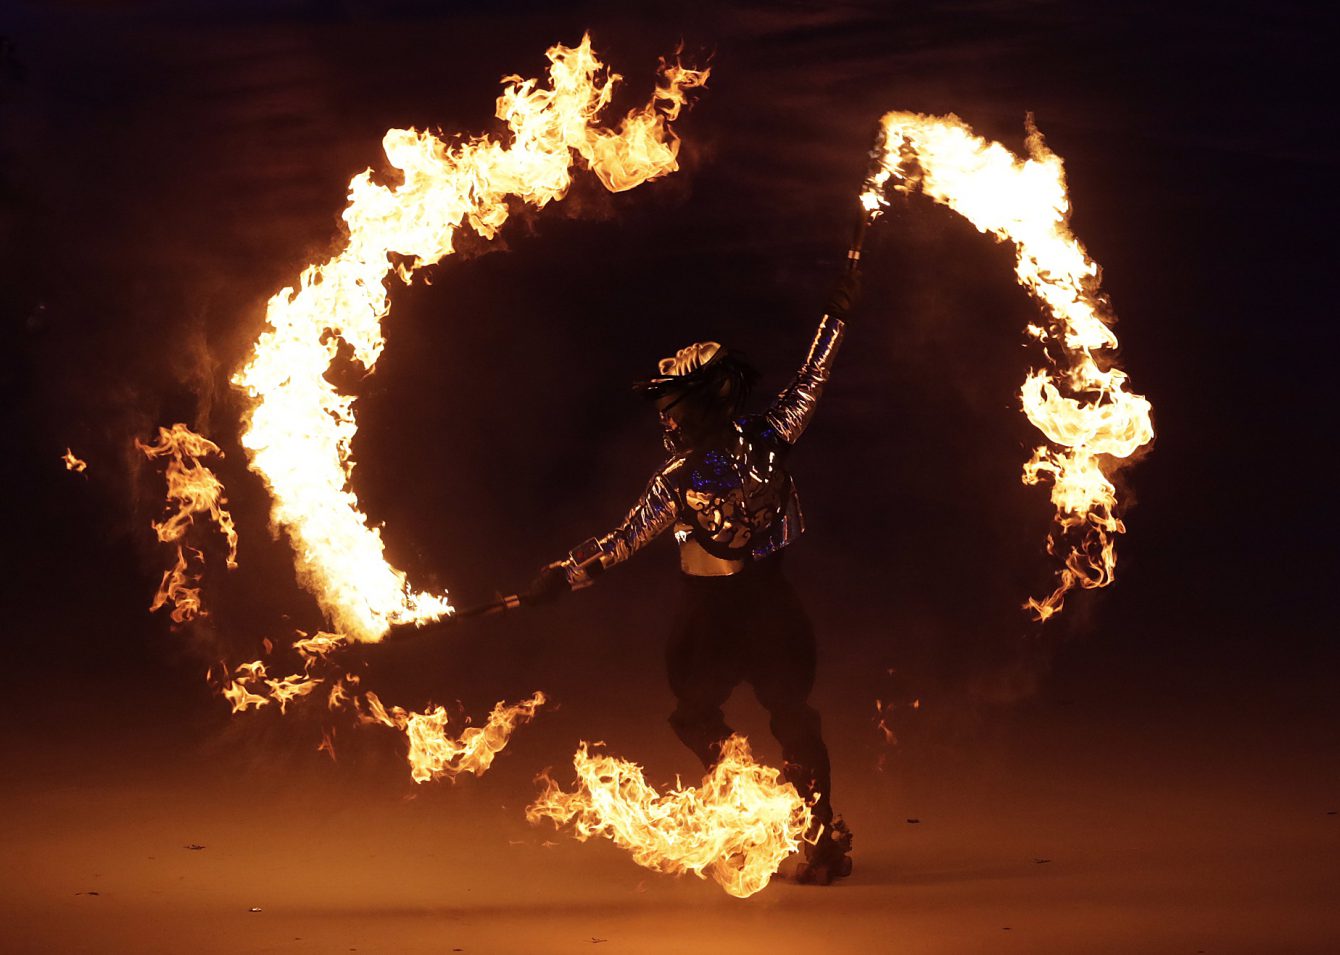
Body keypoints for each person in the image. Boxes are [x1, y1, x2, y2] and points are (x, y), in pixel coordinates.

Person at [528, 270, 860, 884]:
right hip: (759, 608)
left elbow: (623, 541)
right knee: (784, 714)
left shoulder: (679, 477)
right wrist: (835, 316)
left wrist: (561, 575)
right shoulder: (771, 436)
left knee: (727, 716)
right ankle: (790, 826)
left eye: (672, 409)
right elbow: (813, 378)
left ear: (703, 405)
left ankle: (802, 831)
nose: (666, 421)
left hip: (721, 614)